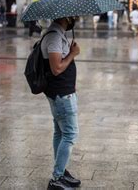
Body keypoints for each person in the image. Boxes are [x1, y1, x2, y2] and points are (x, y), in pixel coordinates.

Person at [40, 17, 81, 189]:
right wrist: (73, 54)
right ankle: (56, 178)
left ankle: (61, 171)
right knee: (70, 134)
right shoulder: (54, 37)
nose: (77, 19)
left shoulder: (58, 34)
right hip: (61, 94)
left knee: (60, 132)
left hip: (61, 92)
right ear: (66, 17)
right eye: (75, 17)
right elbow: (56, 68)